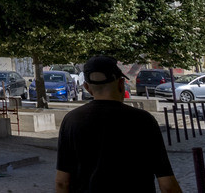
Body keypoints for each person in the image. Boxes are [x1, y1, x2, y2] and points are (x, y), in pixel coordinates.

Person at [55, 55, 181, 193]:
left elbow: (62, 182)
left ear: (87, 87)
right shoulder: (143, 120)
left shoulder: (71, 120)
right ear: (121, 84)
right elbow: (167, 185)